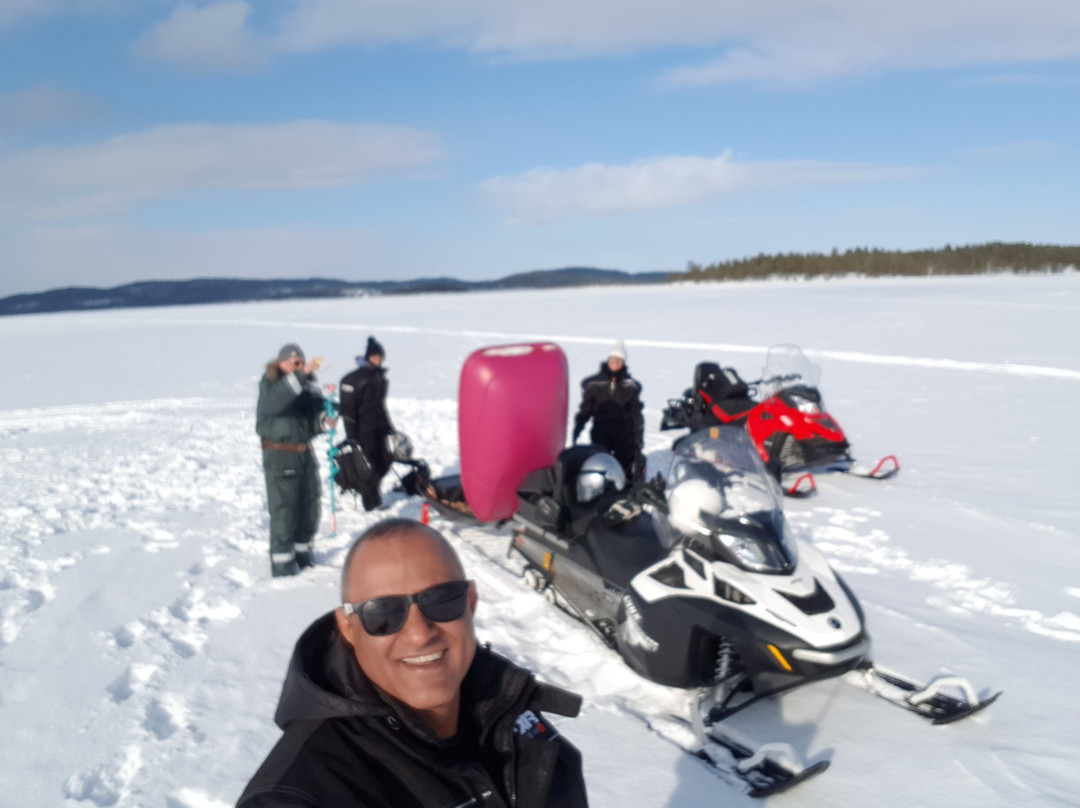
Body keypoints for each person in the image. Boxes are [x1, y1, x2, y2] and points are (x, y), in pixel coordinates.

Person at [236, 518, 590, 808]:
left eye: (442, 600)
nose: (420, 634)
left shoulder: (513, 717)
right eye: (383, 612)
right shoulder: (300, 793)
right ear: (348, 628)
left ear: (470, 602)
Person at [256, 343, 333, 577]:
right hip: (280, 455)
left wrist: (323, 421)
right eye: (292, 362)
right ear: (281, 364)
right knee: (284, 512)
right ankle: (282, 569)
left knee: (310, 507)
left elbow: (308, 420)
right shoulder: (271, 386)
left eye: (300, 361)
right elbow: (278, 401)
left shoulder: (305, 387)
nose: (297, 366)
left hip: (304, 453)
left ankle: (304, 558)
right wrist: (301, 375)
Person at [572, 340, 645, 482]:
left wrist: (638, 438)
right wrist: (578, 427)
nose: (615, 363)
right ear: (608, 360)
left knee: (623, 462)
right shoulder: (593, 384)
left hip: (623, 432)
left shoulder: (631, 386)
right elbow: (586, 408)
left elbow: (636, 414)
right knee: (600, 461)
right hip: (601, 430)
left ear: (623, 363)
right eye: (613, 359)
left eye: (619, 360)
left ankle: (624, 488)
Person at [339, 336, 394, 511]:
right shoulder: (354, 379)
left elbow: (381, 406)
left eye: (380, 357)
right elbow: (348, 411)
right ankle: (371, 502)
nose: (377, 359)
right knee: (368, 465)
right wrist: (352, 437)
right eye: (374, 356)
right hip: (363, 430)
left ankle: (371, 492)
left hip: (380, 427)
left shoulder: (380, 378)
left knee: (385, 460)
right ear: (368, 357)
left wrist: (390, 429)